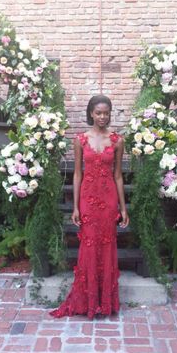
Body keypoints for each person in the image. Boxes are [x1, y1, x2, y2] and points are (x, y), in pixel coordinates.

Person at [49, 94, 129, 320]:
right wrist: (75, 206)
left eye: (106, 113)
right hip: (87, 198)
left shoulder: (117, 141)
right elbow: (77, 174)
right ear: (91, 114)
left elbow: (118, 176)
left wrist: (123, 208)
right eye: (98, 113)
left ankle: (105, 303)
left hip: (108, 199)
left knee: (107, 247)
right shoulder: (80, 140)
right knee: (89, 246)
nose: (102, 117)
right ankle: (88, 301)